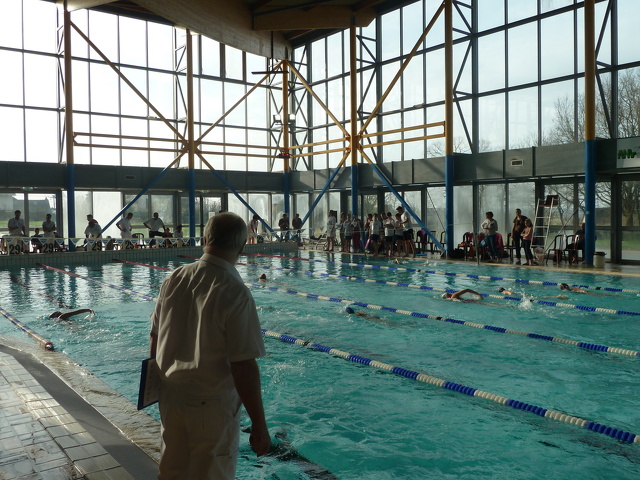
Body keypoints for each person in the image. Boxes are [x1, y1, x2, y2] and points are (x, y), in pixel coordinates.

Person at [149, 212, 270, 479]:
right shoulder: (235, 291)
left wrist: (156, 388)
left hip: (171, 396)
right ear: (243, 246)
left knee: (171, 471)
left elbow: (155, 338)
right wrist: (259, 424)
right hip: (211, 407)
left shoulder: (174, 278)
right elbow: (243, 365)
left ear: (205, 239)